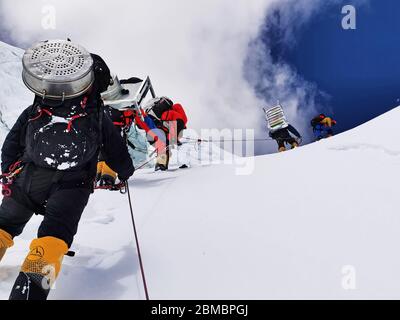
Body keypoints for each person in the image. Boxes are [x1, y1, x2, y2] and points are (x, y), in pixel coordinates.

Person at [0, 40, 135, 300]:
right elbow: (117, 152)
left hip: (29, 178)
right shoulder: (97, 116)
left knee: (4, 225)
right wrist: (126, 173)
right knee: (54, 238)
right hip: (73, 186)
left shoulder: (36, 109)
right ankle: (30, 294)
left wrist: (10, 172)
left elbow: (12, 143)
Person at [139, 97, 188, 171]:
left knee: (163, 144)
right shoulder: (172, 114)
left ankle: (161, 166)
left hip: (157, 130)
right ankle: (161, 166)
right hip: (158, 130)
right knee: (164, 144)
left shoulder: (169, 114)